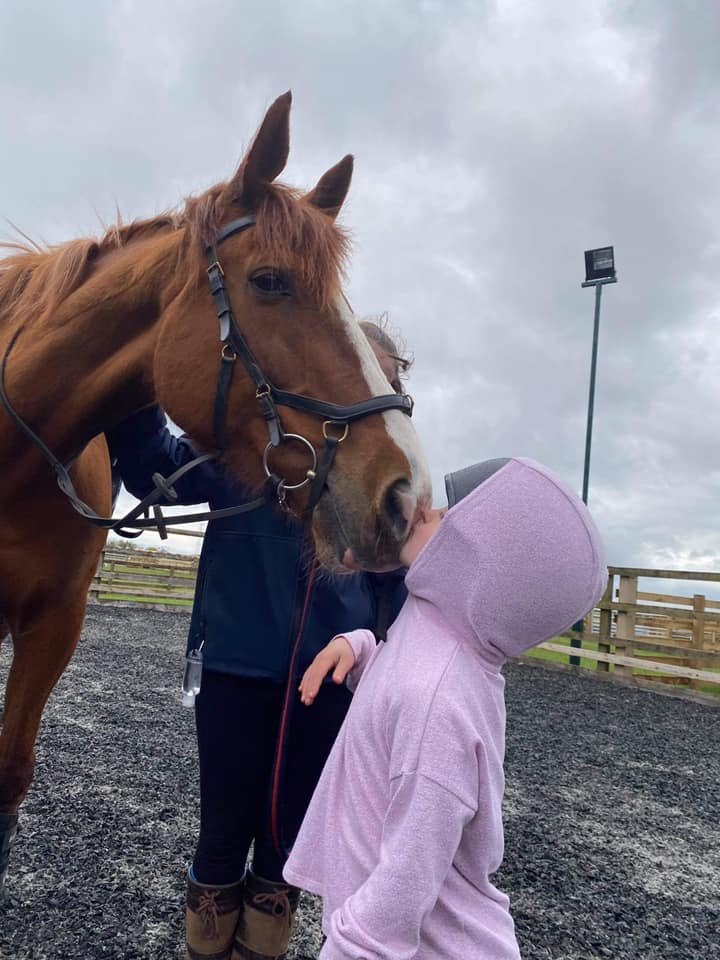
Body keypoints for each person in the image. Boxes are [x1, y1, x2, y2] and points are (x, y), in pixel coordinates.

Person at [106, 318, 412, 960]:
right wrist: (134, 377)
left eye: (393, 385)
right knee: (221, 832)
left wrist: (365, 643)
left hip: (329, 684)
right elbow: (150, 466)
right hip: (235, 671)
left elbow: (399, 603)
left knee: (288, 840)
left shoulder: (385, 482)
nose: (384, 395)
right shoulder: (246, 458)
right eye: (373, 378)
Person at [284, 457, 608, 960]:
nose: (424, 510)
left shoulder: (437, 701)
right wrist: (362, 648)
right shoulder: (440, 633)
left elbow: (403, 884)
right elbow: (403, 668)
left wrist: (347, 947)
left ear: (482, 561)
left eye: (444, 515)